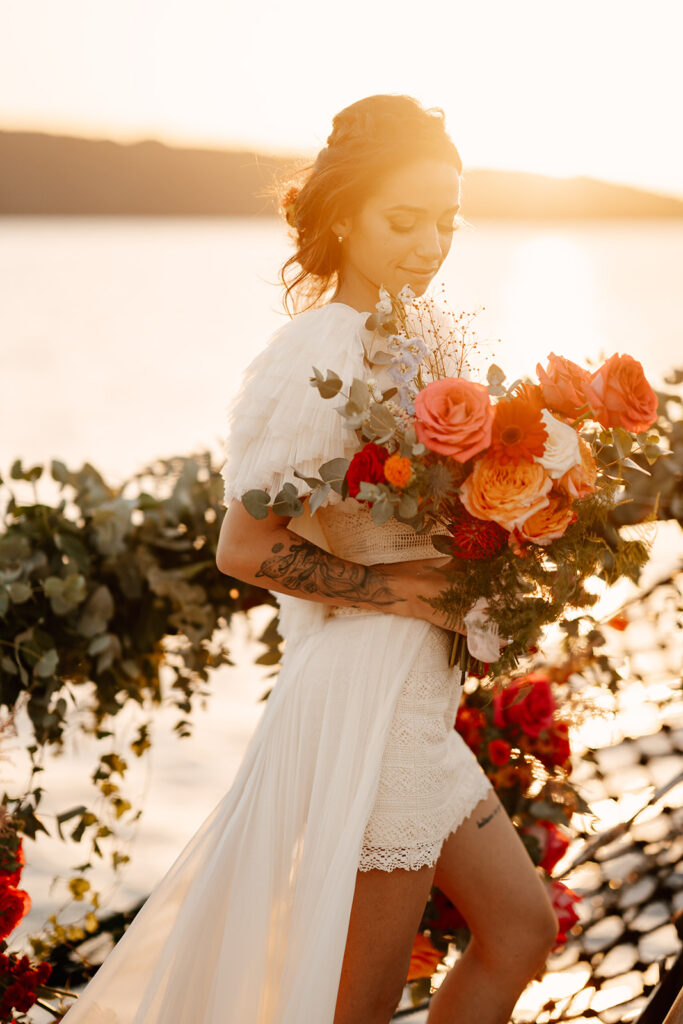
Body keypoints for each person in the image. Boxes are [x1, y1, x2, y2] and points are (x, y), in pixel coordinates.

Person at [61, 94, 558, 1024]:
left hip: (414, 697)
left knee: (521, 932)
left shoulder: (415, 340)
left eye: (446, 222)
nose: (429, 245)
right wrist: (398, 591)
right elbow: (243, 546)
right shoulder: (319, 352)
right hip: (368, 700)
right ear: (341, 217)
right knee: (359, 1004)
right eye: (403, 220)